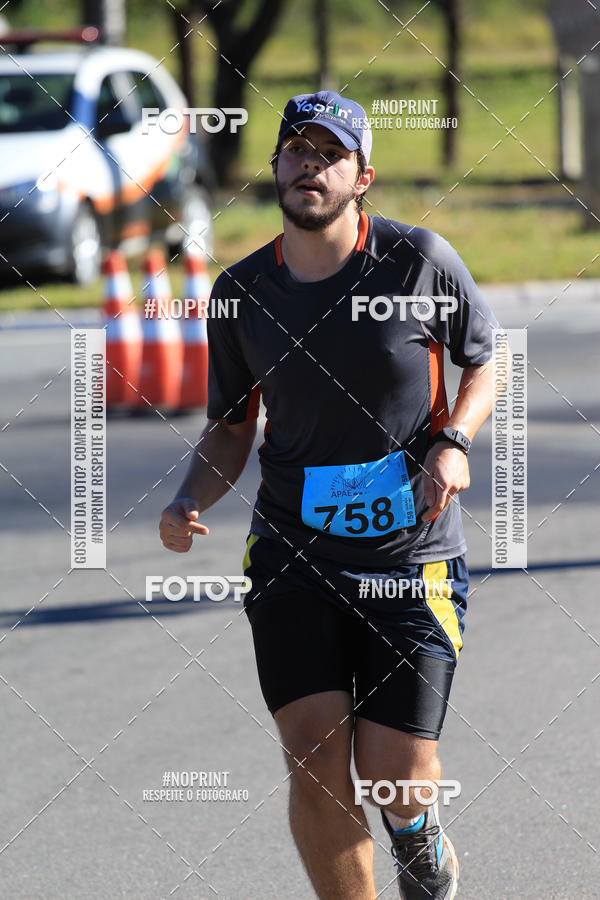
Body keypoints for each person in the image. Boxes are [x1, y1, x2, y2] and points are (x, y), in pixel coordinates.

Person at [160, 90, 500, 899]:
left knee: (394, 775)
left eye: (328, 154)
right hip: (293, 553)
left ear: (363, 177)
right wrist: (186, 498)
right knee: (313, 757)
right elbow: (232, 425)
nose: (308, 165)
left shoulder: (417, 260)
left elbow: (485, 360)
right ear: (273, 168)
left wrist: (452, 443)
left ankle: (416, 831)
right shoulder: (242, 293)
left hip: (408, 556)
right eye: (294, 151)